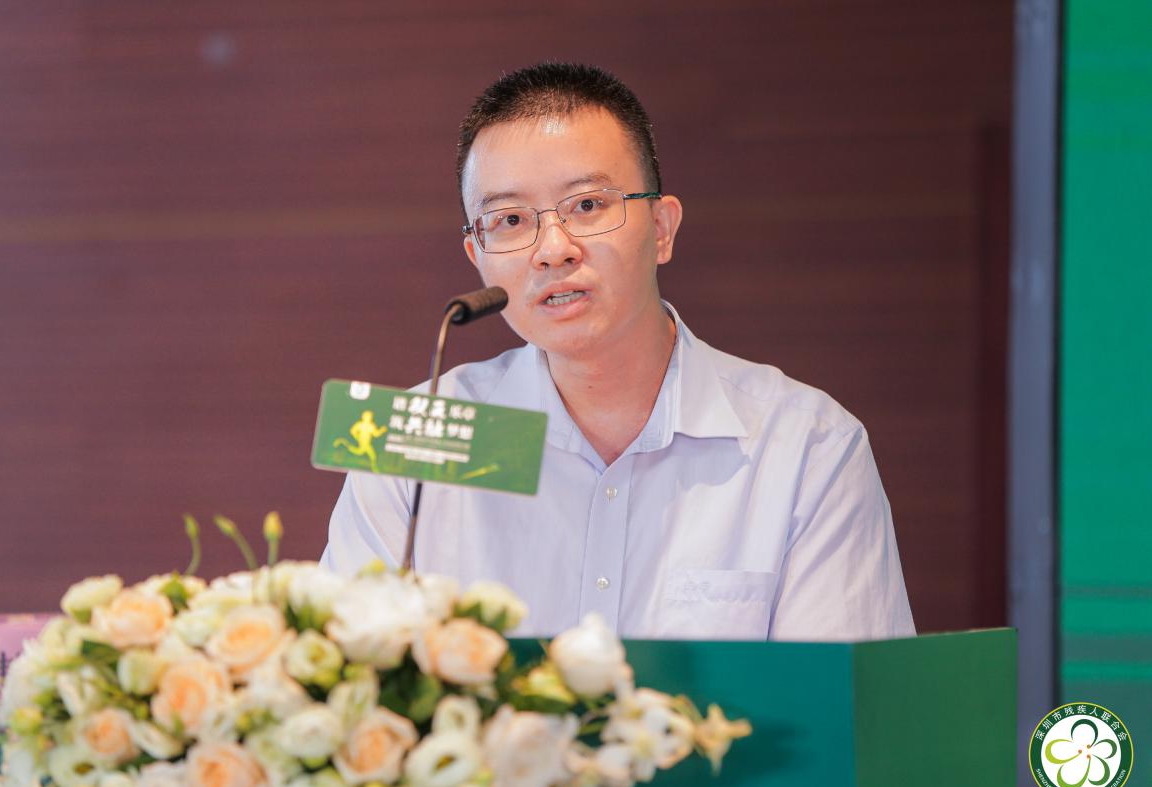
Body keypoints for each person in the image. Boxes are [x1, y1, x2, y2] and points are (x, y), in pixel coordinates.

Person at [321, 63, 914, 641]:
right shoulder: (404, 444)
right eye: (509, 219)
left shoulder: (808, 447)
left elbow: (838, 698)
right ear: (478, 257)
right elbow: (342, 678)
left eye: (586, 206)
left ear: (661, 229)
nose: (553, 249)